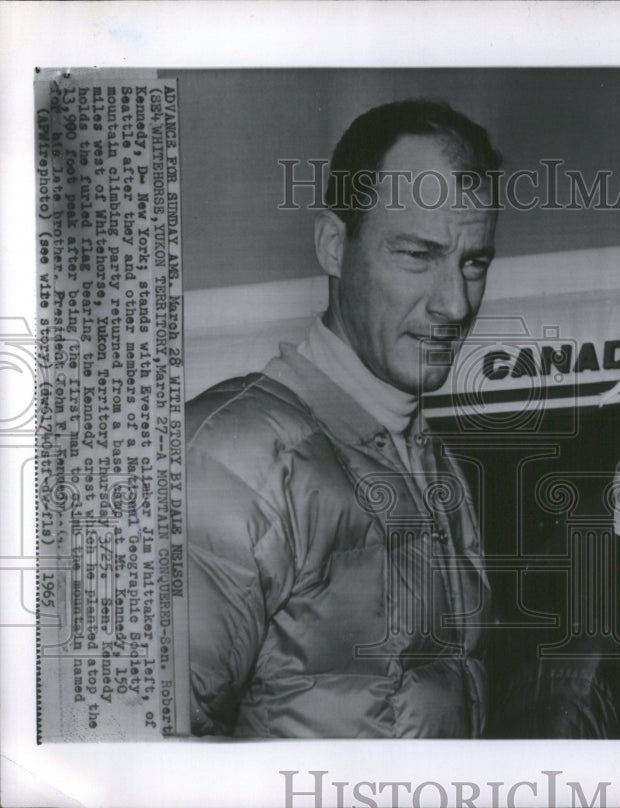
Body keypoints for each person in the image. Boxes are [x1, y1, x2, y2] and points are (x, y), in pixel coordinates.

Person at [185, 100, 502, 737]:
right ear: (334, 245)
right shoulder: (228, 454)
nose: (455, 303)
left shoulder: (431, 463)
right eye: (417, 255)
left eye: (474, 262)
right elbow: (141, 761)